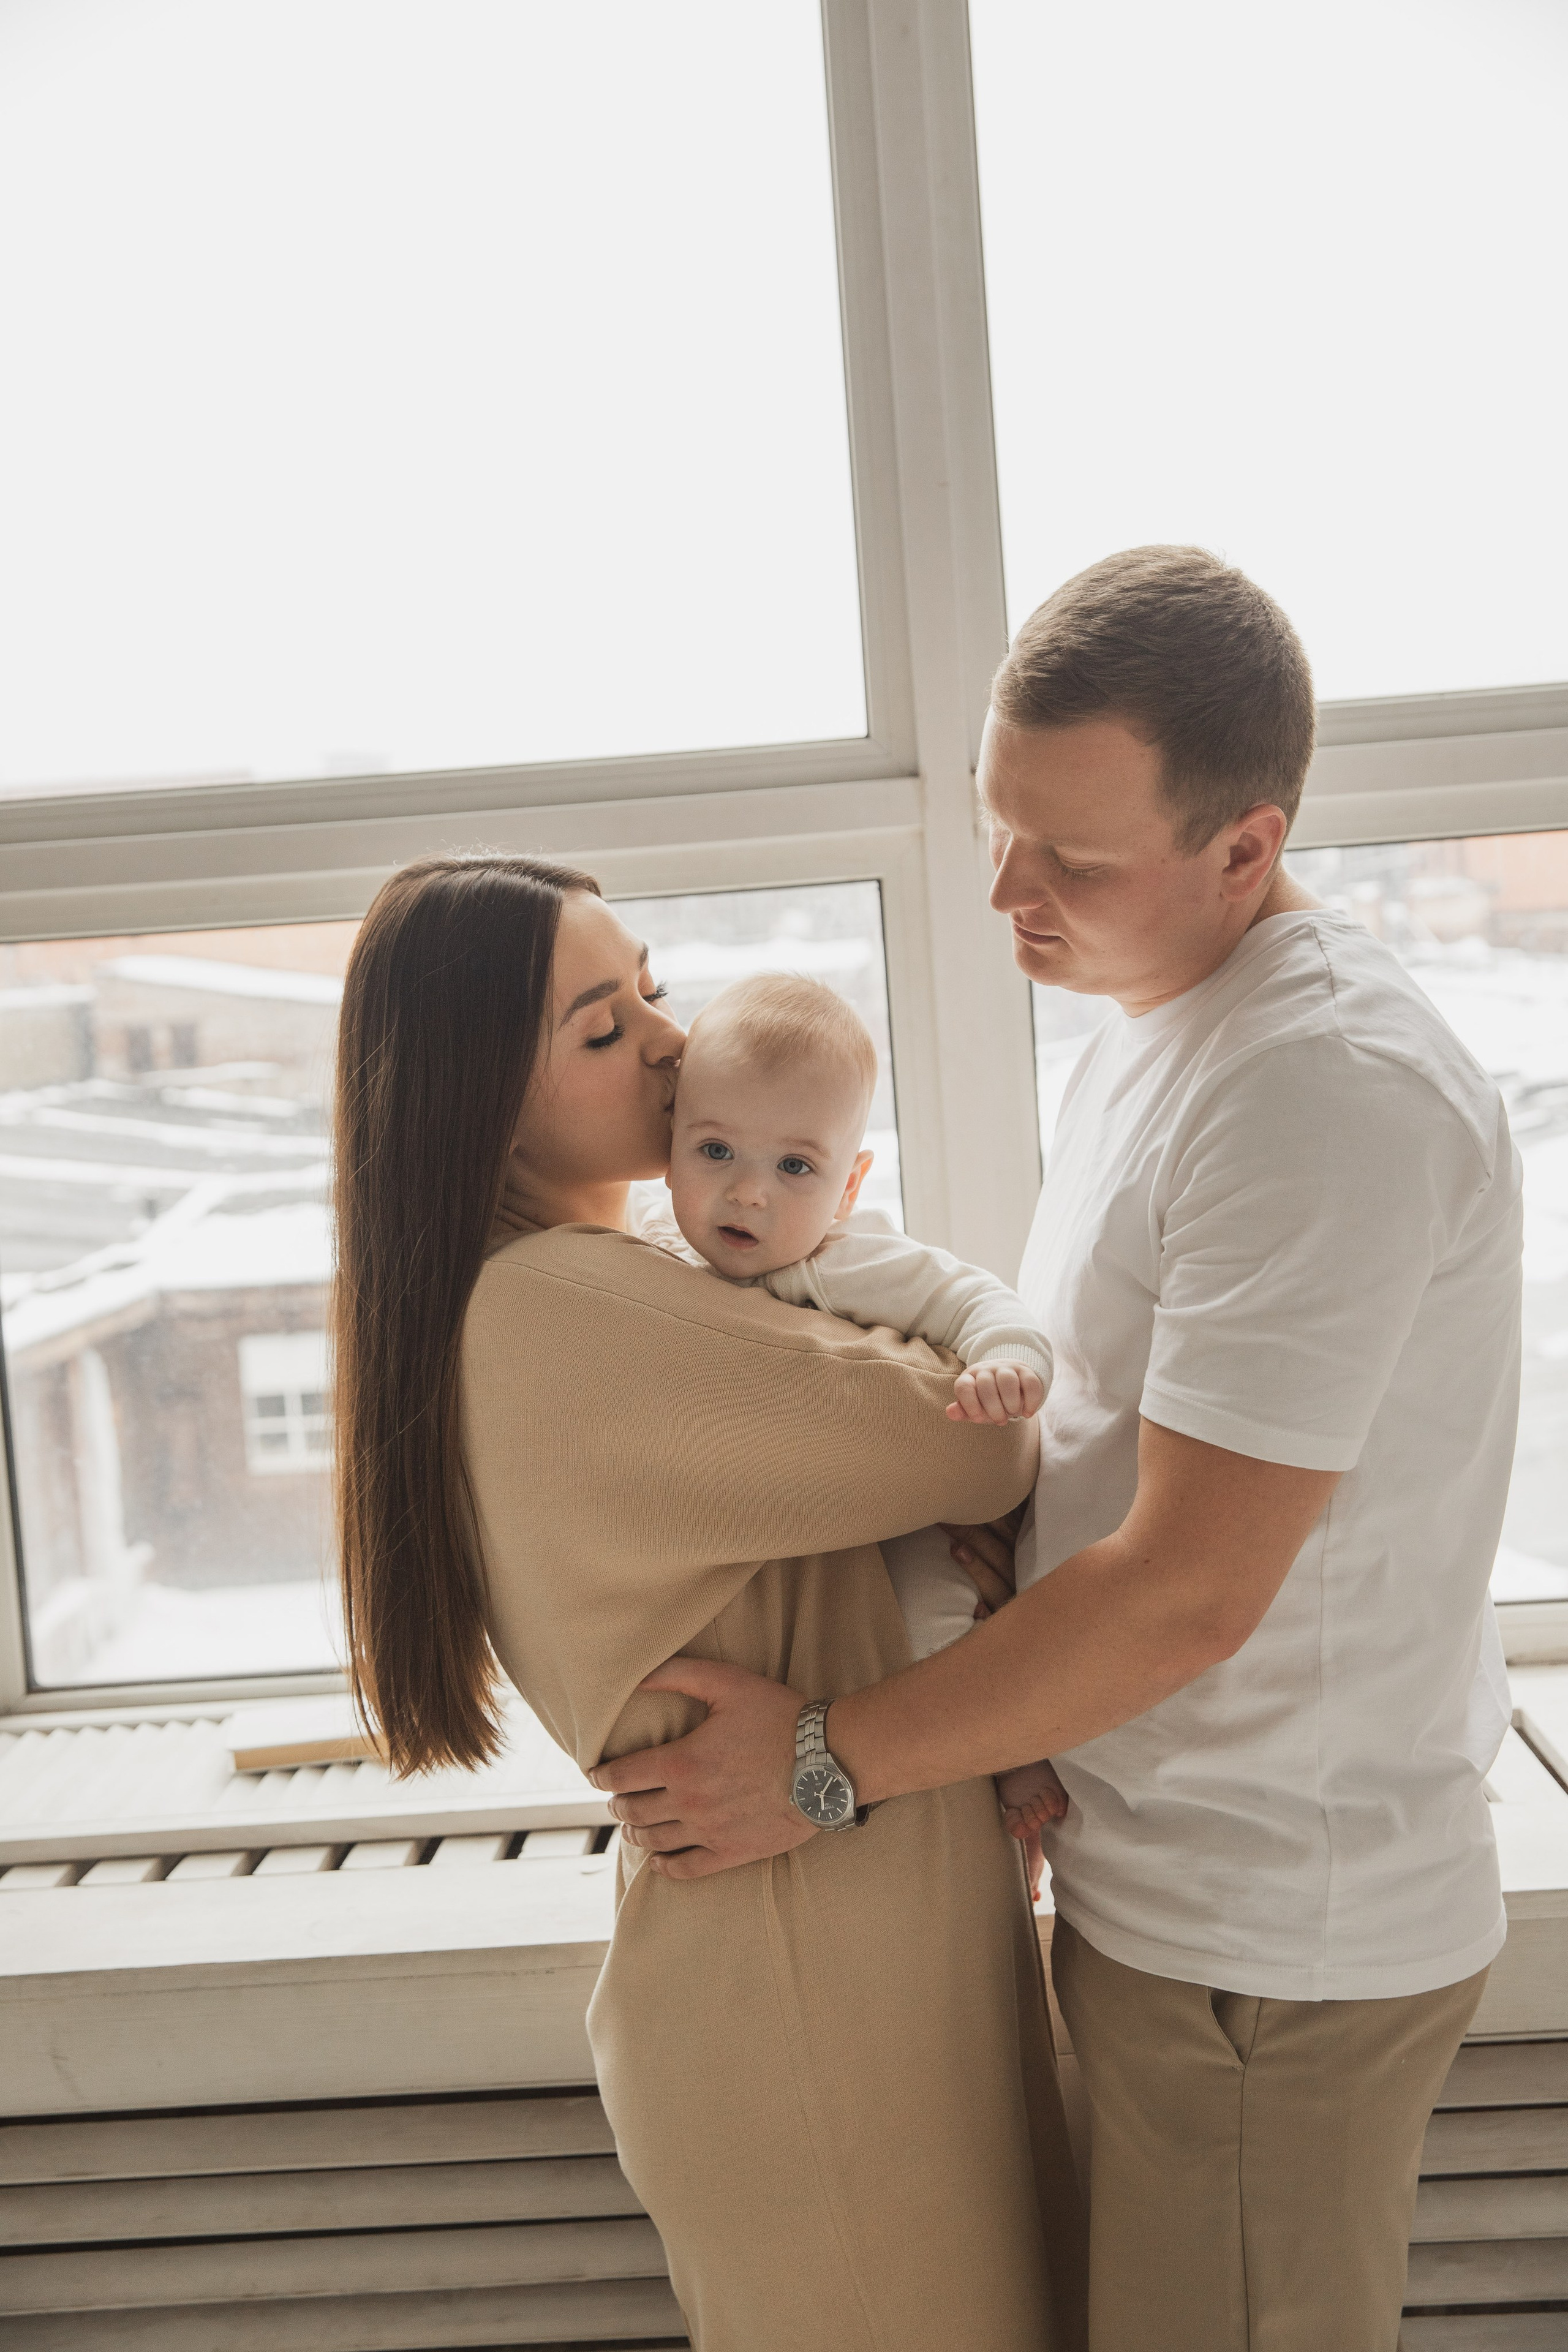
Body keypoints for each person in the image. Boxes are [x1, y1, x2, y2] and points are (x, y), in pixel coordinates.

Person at [590, 546, 1526, 2352]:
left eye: (1073, 860)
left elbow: (1184, 1591)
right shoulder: (1165, 1024)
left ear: (1245, 846)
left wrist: (818, 1766)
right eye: (997, 829)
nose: (1009, 892)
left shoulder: (1320, 1091)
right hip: (1172, 1885)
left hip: (1273, 1937)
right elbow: (1127, 1464)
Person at [331, 853, 1087, 2352]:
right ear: (481, 1090)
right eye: (603, 1031)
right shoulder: (563, 1304)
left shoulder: (602, 1279)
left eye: (652, 992)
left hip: (833, 1960)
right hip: (815, 2004)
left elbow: (890, 1495)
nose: (672, 1043)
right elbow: (985, 1436)